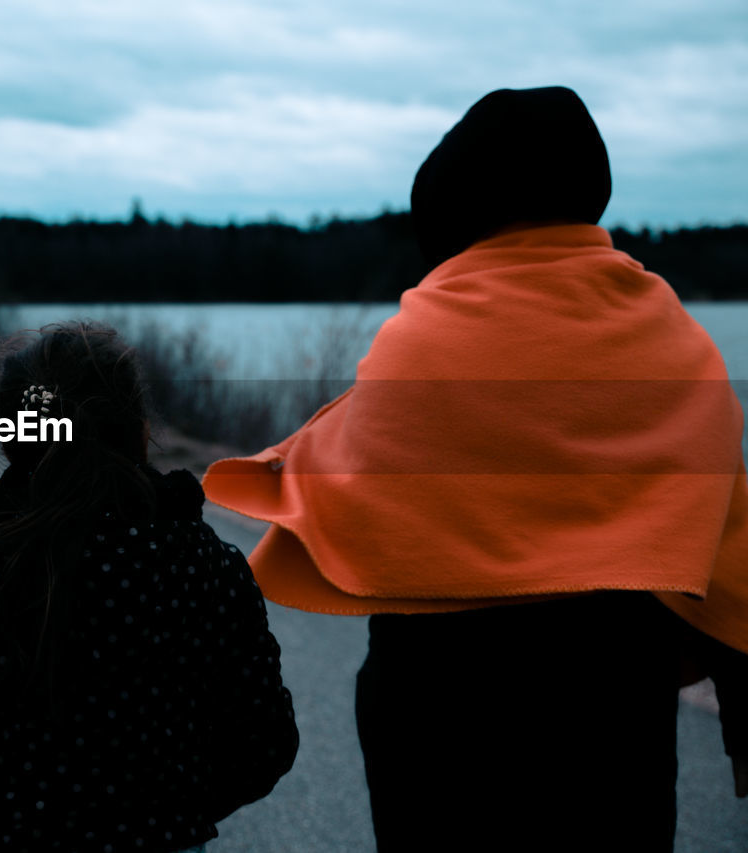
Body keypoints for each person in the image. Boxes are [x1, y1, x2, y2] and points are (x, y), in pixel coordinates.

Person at [203, 86, 748, 852]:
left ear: (454, 207)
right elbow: (726, 521)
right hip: (612, 702)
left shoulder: (422, 335)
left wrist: (268, 470)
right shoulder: (673, 338)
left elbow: (354, 466)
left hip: (436, 708)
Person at [0, 322, 299, 852]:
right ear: (140, 430)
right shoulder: (209, 567)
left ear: (11, 441)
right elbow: (265, 744)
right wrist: (171, 810)